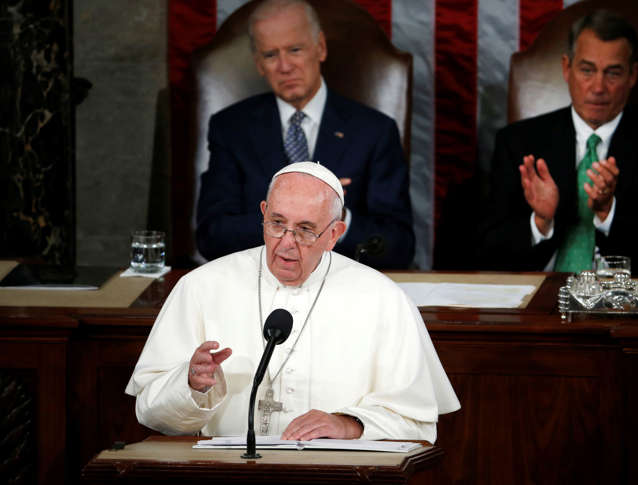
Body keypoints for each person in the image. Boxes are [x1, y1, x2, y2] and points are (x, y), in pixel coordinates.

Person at [126, 162, 460, 443]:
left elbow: (419, 423)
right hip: (230, 475)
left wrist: (349, 424)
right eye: (277, 224)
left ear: (334, 234)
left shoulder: (383, 299)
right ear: (263, 213)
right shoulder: (201, 286)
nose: (286, 243)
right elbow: (149, 411)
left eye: (305, 230)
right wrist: (189, 384)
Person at [476, 9, 638, 277]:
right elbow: (489, 253)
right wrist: (540, 221)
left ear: (633, 75)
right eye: (587, 70)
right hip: (539, 303)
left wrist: (608, 213)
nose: (598, 87)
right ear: (567, 68)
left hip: (623, 306)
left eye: (613, 73)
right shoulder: (518, 142)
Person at [196, 0, 414, 269]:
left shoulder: (375, 131)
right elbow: (211, 236)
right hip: (256, 284)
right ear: (259, 64)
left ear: (320, 48)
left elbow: (399, 246)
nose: (285, 66)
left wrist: (338, 219)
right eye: (270, 55)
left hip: (343, 286)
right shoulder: (231, 128)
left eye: (295, 49)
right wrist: (286, 219)